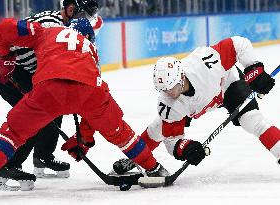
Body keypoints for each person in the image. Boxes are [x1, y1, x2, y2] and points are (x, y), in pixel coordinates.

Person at [0, 16, 171, 190]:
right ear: (89, 37)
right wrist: (84, 139)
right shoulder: (92, 50)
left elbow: (4, 27)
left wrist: (6, 56)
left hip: (49, 87)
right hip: (89, 91)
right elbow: (94, 108)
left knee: (12, 132)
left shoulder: (48, 31)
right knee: (120, 133)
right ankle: (153, 168)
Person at [113, 36, 280, 177]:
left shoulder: (206, 64)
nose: (168, 93)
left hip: (228, 85)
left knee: (252, 121)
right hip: (195, 106)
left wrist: (254, 69)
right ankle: (135, 158)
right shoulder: (168, 101)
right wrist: (184, 148)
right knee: (158, 128)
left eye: (171, 87)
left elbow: (239, 44)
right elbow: (171, 141)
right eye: (163, 89)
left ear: (181, 77)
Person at [0, 0, 101, 191]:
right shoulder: (50, 25)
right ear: (70, 10)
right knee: (32, 116)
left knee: (53, 106)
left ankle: (43, 156)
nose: (86, 21)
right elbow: (4, 33)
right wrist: (4, 59)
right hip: (9, 70)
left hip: (29, 72)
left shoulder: (69, 30)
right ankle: (6, 165)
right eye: (84, 15)